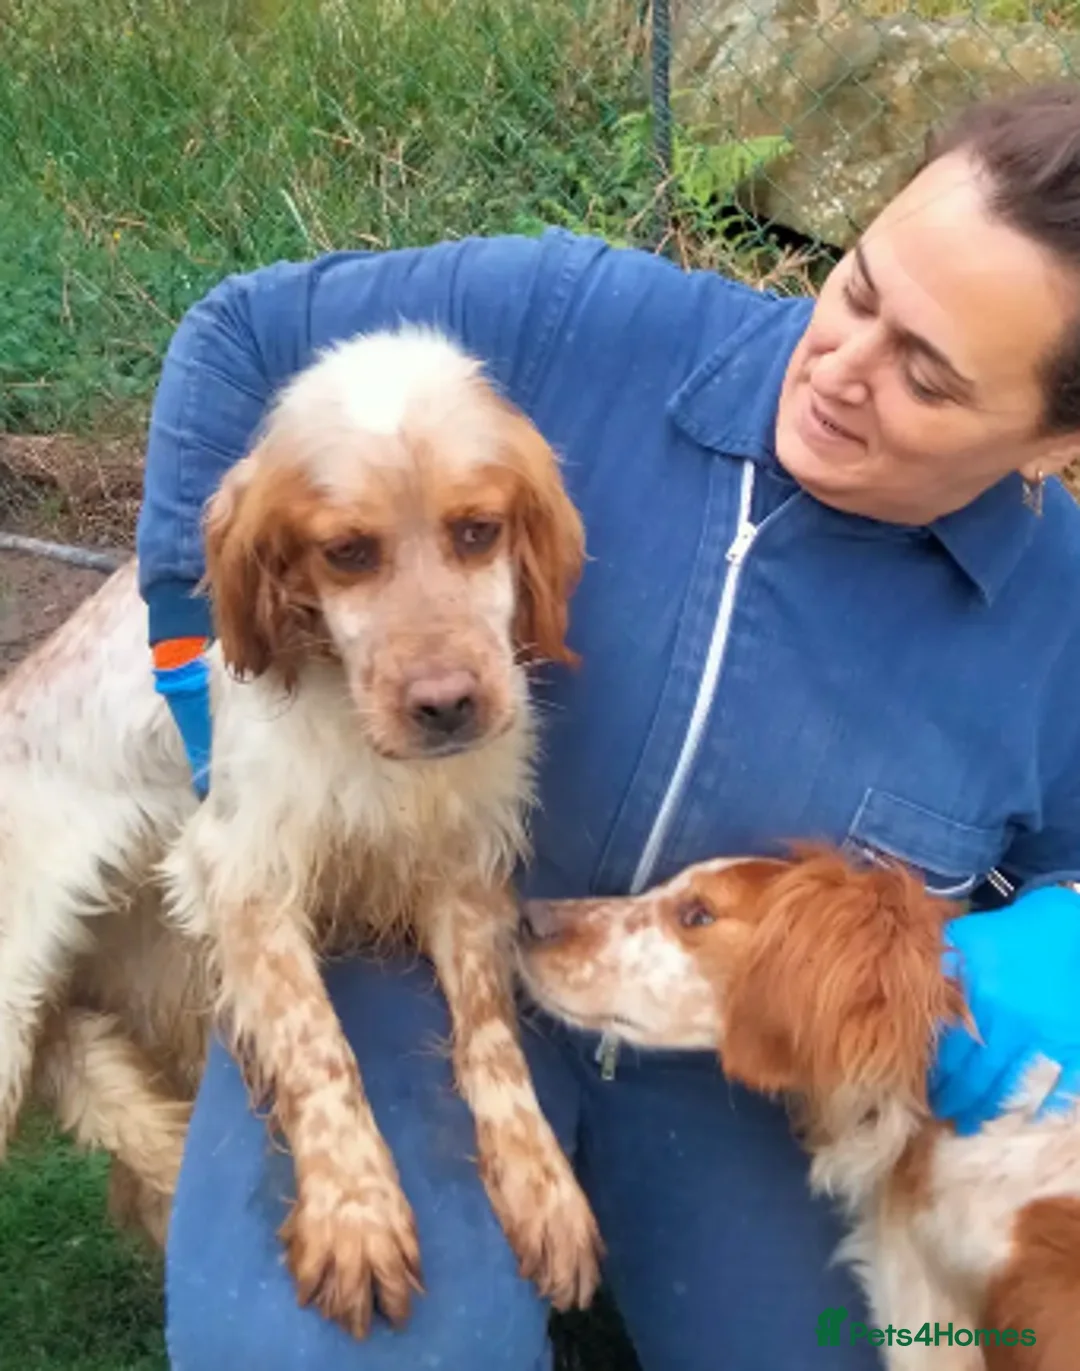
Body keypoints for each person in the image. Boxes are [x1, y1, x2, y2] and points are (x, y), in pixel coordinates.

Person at [139, 82, 1080, 1371]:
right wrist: (200, 664)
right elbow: (237, 332)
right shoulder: (593, 317)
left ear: (1052, 440)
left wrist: (1051, 955)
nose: (842, 372)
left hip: (743, 1072)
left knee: (865, 1347)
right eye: (858, 291)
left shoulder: (1062, 621)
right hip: (413, 941)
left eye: (926, 375)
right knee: (336, 1351)